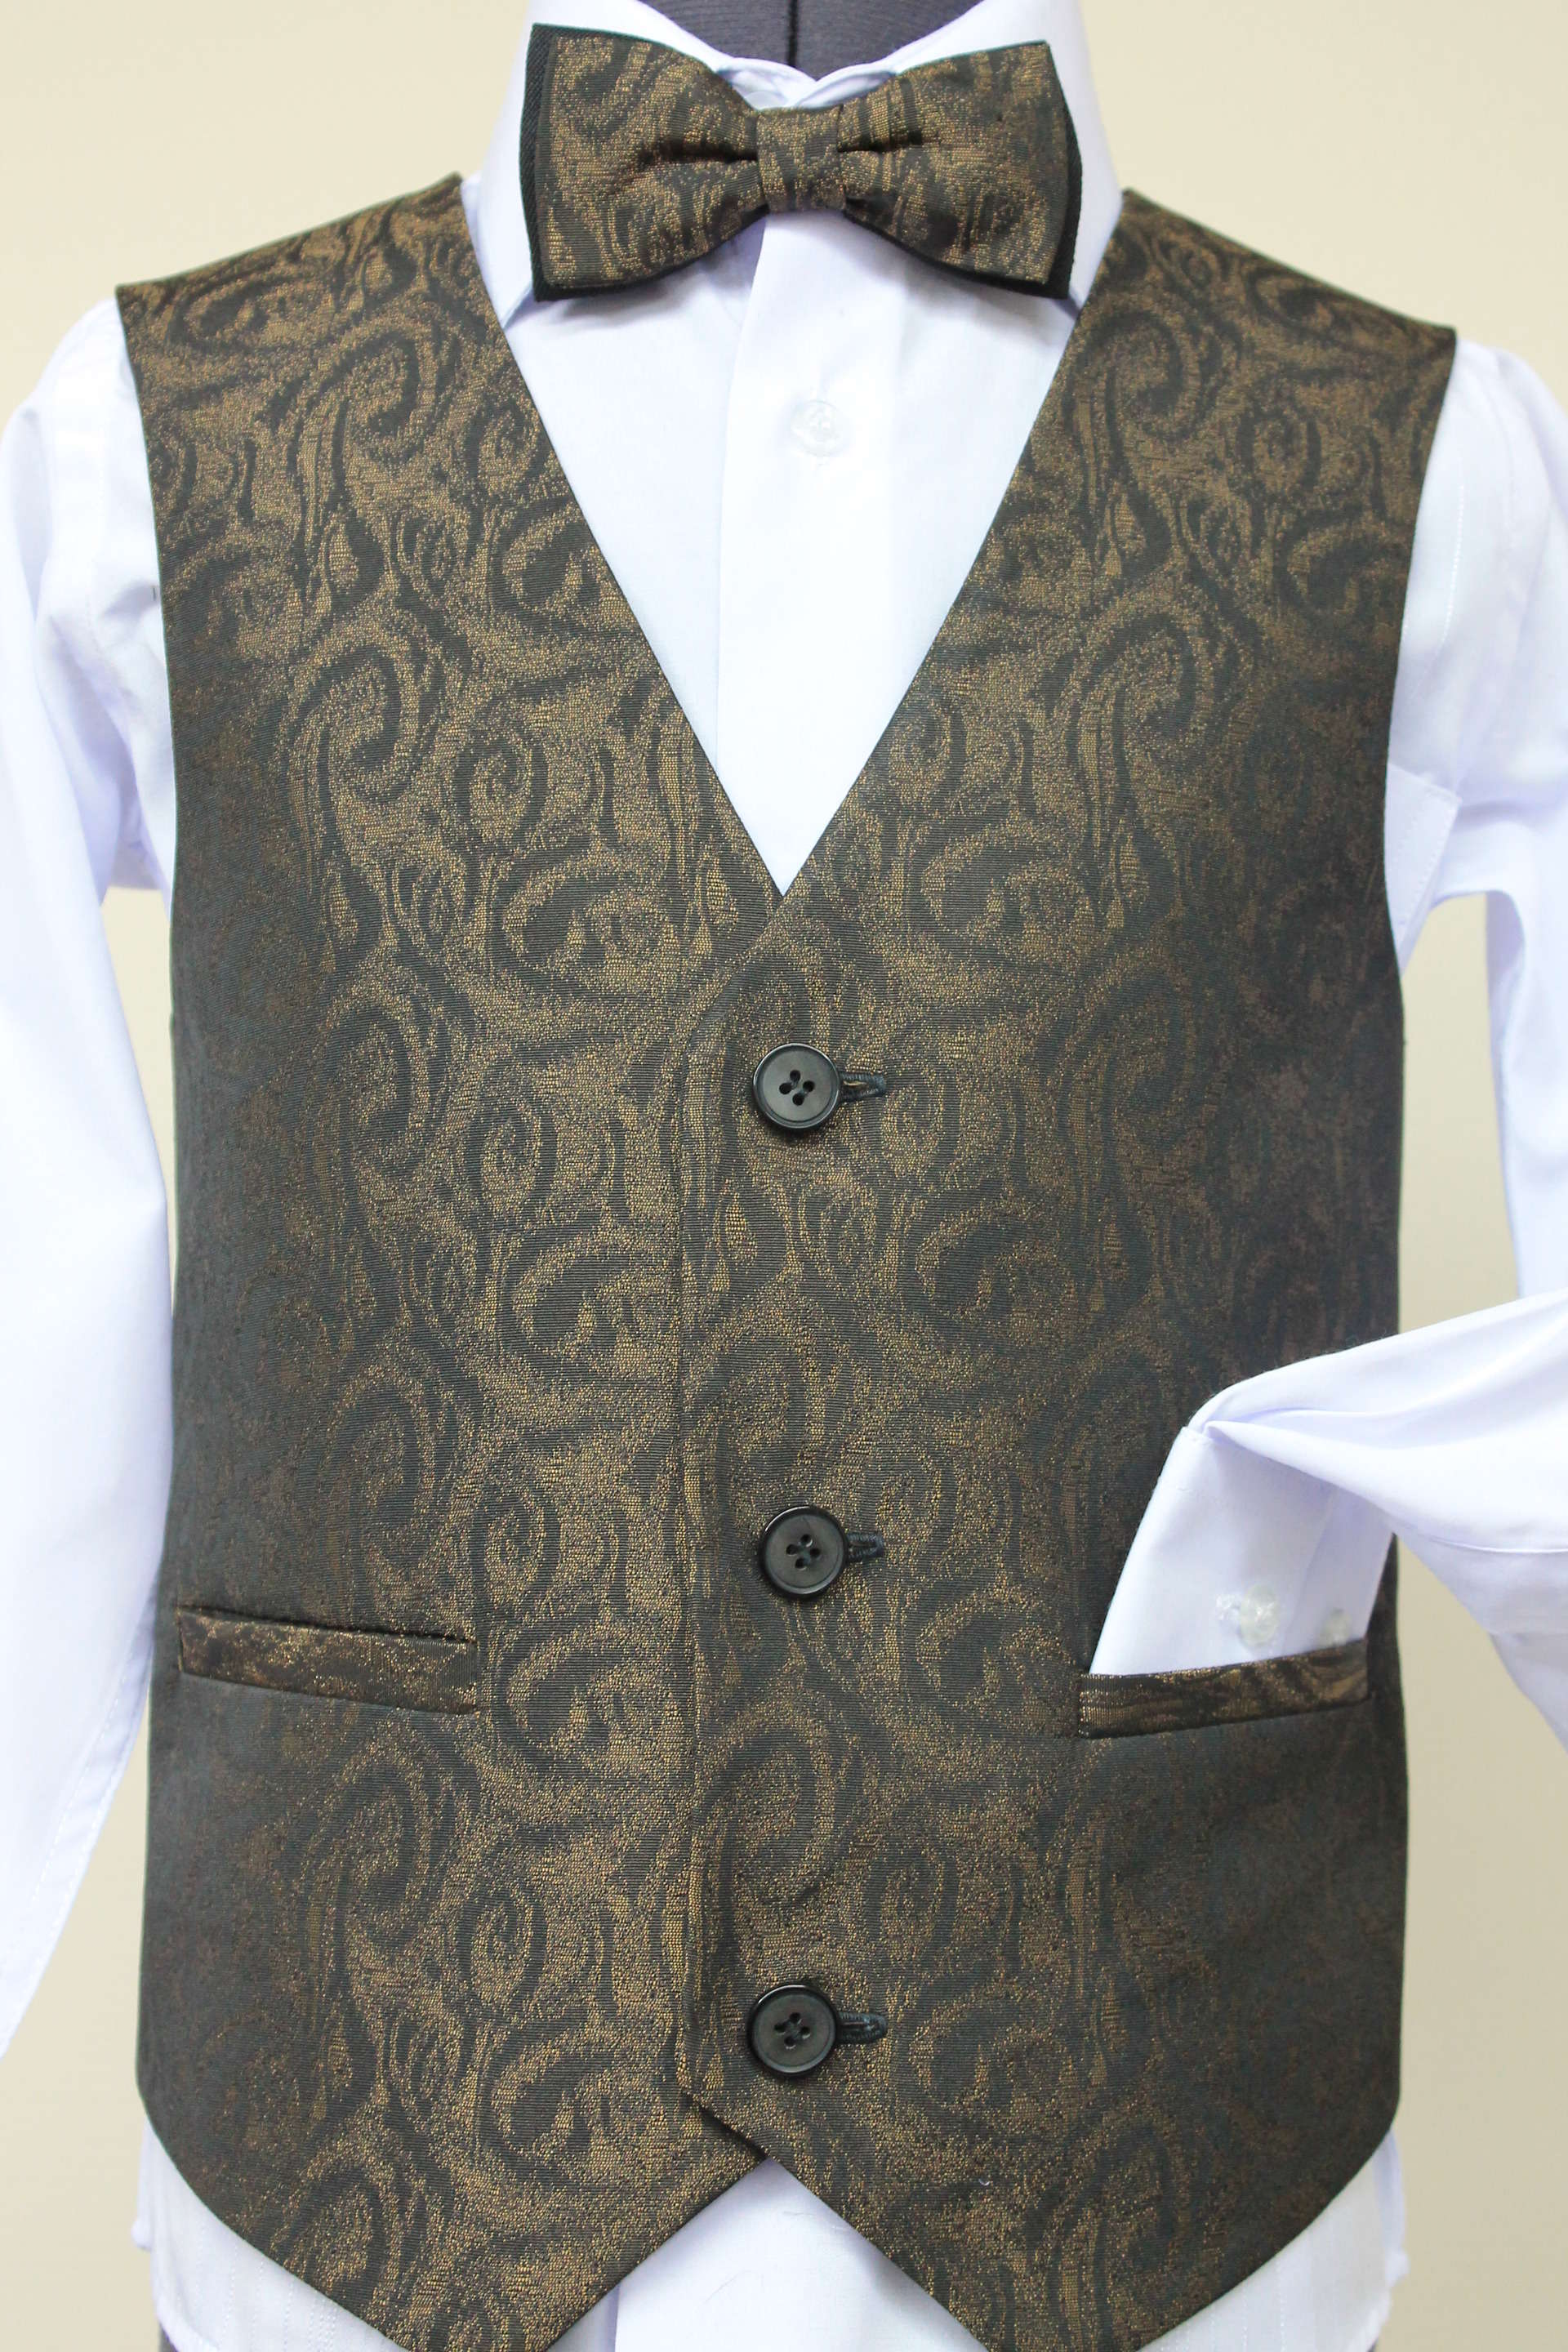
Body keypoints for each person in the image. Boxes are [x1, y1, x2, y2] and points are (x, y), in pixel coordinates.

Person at [2, 3, 1566, 2349]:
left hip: (1157, 2130)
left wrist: (1294, 1495)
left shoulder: (1430, 457)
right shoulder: (154, 431)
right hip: (372, 2130)